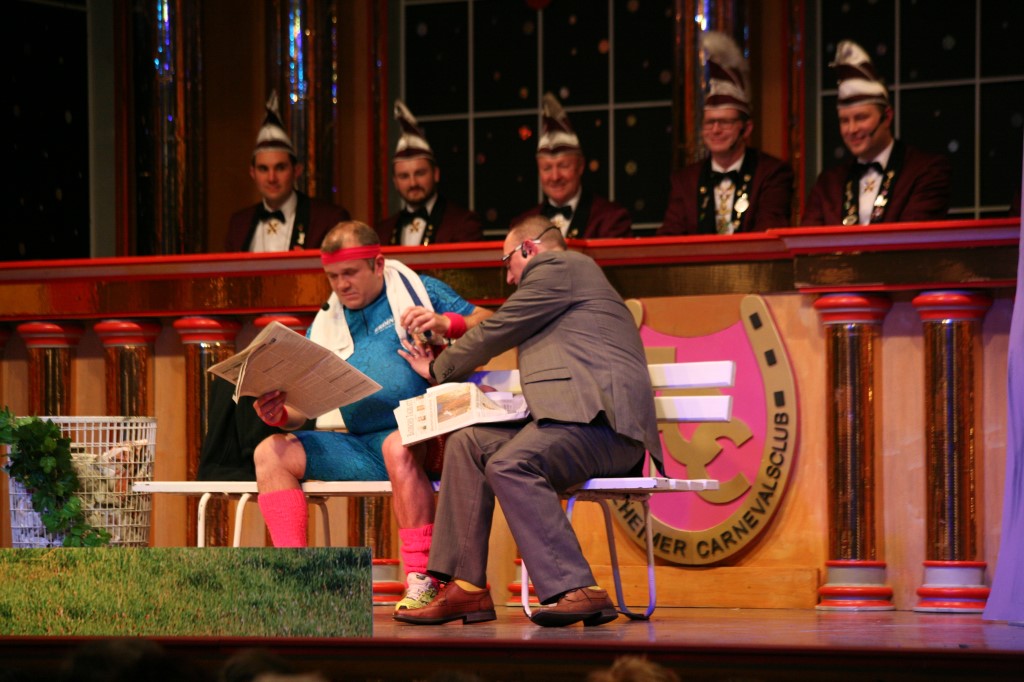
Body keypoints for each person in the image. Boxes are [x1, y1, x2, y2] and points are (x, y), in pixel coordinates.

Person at [392, 215, 663, 628]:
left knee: (511, 463)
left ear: (529, 249)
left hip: (606, 428)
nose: (509, 278)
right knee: (468, 443)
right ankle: (465, 587)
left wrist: (439, 366)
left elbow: (500, 326)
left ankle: (578, 587)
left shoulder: (561, 266)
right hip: (572, 424)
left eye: (508, 263)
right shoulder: (564, 285)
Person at [250, 221, 491, 613]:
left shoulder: (419, 289)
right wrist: (280, 414)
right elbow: (301, 410)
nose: (341, 285)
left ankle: (423, 580)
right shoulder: (326, 321)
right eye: (332, 276)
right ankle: (296, 581)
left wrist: (448, 323)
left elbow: (490, 322)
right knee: (270, 452)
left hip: (427, 438)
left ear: (378, 264)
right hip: (361, 445)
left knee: (397, 445)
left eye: (350, 273)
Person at [801, 40, 952, 227]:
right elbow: (809, 240)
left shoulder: (926, 171)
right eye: (844, 120)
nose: (852, 129)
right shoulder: (827, 184)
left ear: (887, 117)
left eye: (861, 118)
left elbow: (913, 239)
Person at [657, 31, 793, 235]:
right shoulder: (685, 180)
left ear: (746, 128)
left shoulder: (771, 173)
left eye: (725, 122)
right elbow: (670, 237)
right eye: (709, 122)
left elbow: (769, 231)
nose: (715, 130)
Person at [225, 91, 351, 252]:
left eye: (280, 168)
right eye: (263, 169)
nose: (271, 178)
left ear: (296, 171)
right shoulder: (238, 224)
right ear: (252, 173)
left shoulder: (328, 219)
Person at [512, 93, 633, 239]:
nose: (555, 177)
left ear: (580, 166)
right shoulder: (521, 225)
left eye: (563, 166)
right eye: (547, 168)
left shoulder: (611, 218)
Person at [376, 100, 484, 246]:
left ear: (436, 174)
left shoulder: (464, 224)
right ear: (395, 182)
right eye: (404, 176)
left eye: (420, 173)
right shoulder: (382, 232)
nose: (413, 183)